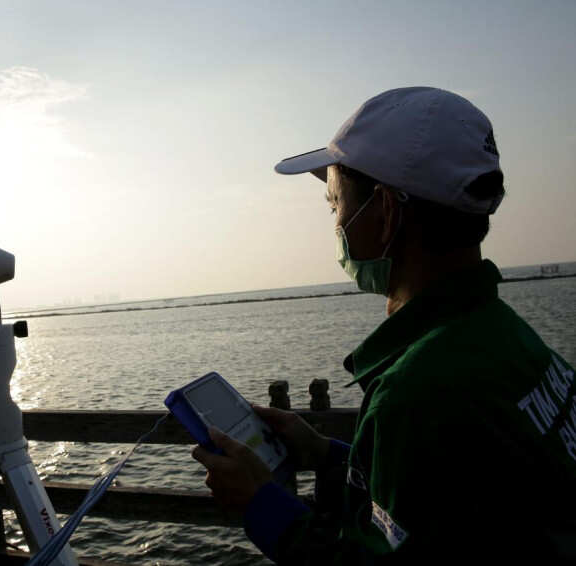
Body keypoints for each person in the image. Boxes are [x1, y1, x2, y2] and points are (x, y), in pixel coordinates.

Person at [192, 87, 576, 564]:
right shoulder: (504, 334)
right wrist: (327, 454)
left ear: (386, 212)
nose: (335, 224)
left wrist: (259, 505)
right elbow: (453, 503)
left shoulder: (419, 392)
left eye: (335, 205)